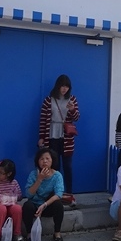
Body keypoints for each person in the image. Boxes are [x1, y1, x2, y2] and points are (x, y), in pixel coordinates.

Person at [38, 74, 80, 207]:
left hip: (66, 138)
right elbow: (43, 120)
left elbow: (76, 118)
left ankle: (69, 194)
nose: (64, 89)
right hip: (51, 136)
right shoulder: (48, 100)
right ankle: (55, 195)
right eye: (62, 86)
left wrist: (72, 109)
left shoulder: (72, 99)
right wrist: (41, 137)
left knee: (68, 167)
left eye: (67, 86)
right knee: (54, 167)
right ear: (57, 86)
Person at [22, 147, 65, 241]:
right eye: (41, 159)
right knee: (27, 206)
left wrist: (44, 205)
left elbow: (58, 194)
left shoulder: (57, 175)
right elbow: (28, 194)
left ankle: (57, 233)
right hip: (35, 206)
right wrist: (39, 179)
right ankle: (29, 234)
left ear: (52, 160)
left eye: (47, 158)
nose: (44, 161)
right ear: (38, 161)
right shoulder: (33, 174)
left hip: (47, 206)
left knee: (58, 205)